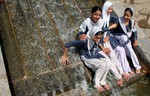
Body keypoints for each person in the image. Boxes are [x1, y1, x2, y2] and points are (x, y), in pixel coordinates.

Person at [78, 5, 123, 87]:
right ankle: (98, 82)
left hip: (97, 46)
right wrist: (82, 35)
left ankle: (104, 81)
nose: (97, 17)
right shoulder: (87, 22)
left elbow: (101, 35)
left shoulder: (101, 22)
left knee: (109, 62)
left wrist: (103, 48)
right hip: (89, 47)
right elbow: (80, 33)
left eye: (99, 15)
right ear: (91, 13)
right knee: (104, 63)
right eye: (95, 14)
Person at [109, 7, 141, 76]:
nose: (125, 17)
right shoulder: (120, 20)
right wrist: (109, 27)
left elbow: (134, 31)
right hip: (117, 37)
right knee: (122, 49)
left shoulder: (132, 22)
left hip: (126, 40)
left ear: (131, 16)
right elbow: (115, 25)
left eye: (128, 16)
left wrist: (135, 40)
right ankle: (126, 69)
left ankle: (137, 66)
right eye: (125, 15)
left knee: (130, 49)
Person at [101, 1, 127, 81]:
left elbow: (117, 20)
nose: (110, 11)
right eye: (109, 9)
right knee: (109, 59)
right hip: (101, 41)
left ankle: (122, 72)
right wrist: (110, 28)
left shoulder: (108, 16)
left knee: (113, 56)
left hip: (106, 39)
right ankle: (118, 77)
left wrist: (108, 34)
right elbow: (100, 30)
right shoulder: (100, 17)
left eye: (111, 9)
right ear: (105, 8)